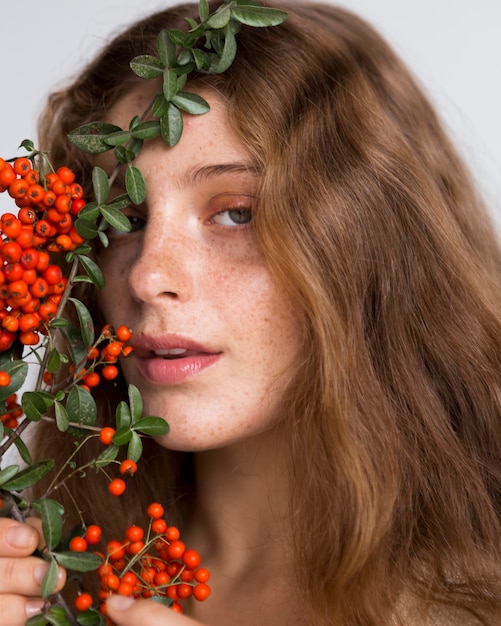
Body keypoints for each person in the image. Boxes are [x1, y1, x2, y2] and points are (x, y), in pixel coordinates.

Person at [0, 1, 500, 624]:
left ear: (372, 243)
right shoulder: (42, 559)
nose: (149, 275)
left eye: (237, 213)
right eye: (125, 220)